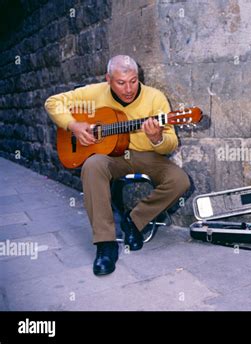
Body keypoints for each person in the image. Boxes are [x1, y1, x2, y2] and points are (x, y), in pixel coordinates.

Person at [44, 55, 191, 276]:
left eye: (133, 81)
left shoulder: (154, 98)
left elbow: (170, 144)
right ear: (108, 79)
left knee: (180, 181)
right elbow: (52, 102)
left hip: (146, 156)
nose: (129, 88)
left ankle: (134, 220)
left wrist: (157, 138)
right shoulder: (95, 93)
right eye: (121, 83)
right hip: (111, 158)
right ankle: (105, 244)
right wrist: (73, 125)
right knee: (92, 165)